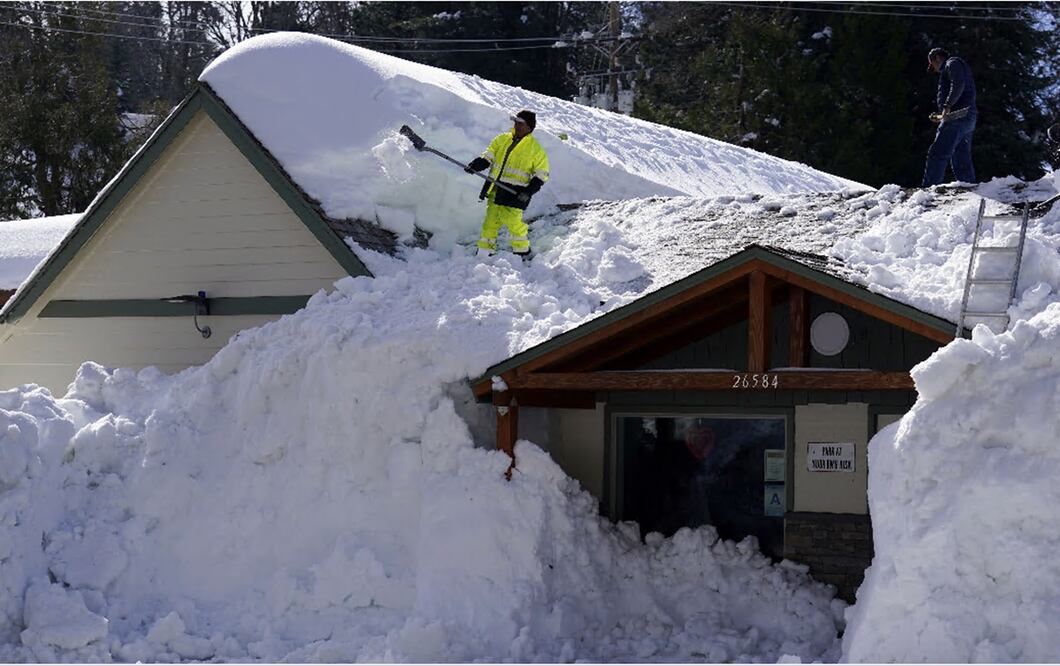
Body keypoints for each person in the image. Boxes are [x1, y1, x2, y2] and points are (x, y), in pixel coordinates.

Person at [465, 110, 550, 257]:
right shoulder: (502, 139)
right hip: (496, 188)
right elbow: (489, 156)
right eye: (515, 122)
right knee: (490, 221)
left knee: (513, 222)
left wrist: (528, 191)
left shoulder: (536, 149)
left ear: (529, 127)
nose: (516, 125)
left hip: (516, 193)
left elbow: (541, 175)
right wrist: (477, 165)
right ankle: (485, 250)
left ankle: (522, 251)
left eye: (520, 123)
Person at [922, 47, 978, 187]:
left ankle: (929, 189)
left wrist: (947, 106)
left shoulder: (951, 63)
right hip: (967, 116)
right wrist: (941, 116)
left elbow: (958, 83)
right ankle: (968, 187)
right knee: (960, 157)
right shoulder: (957, 65)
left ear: (937, 58)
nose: (934, 69)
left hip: (956, 116)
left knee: (937, 153)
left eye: (933, 65)